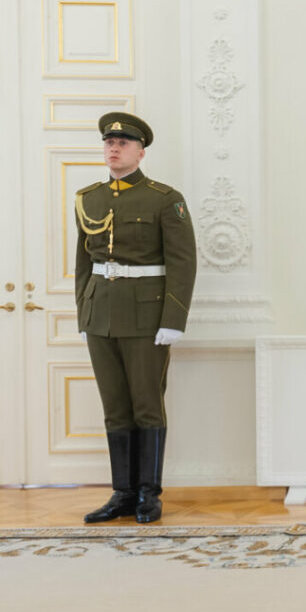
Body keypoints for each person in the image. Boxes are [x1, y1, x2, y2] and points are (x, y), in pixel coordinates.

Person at [76, 112, 196, 525]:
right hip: (100, 315)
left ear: (141, 152)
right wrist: (84, 312)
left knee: (147, 405)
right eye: (109, 142)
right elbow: (83, 263)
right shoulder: (87, 198)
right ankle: (123, 494)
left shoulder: (164, 199)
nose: (114, 148)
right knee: (115, 407)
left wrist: (173, 318)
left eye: (123, 143)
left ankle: (148, 493)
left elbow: (183, 263)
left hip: (147, 317)